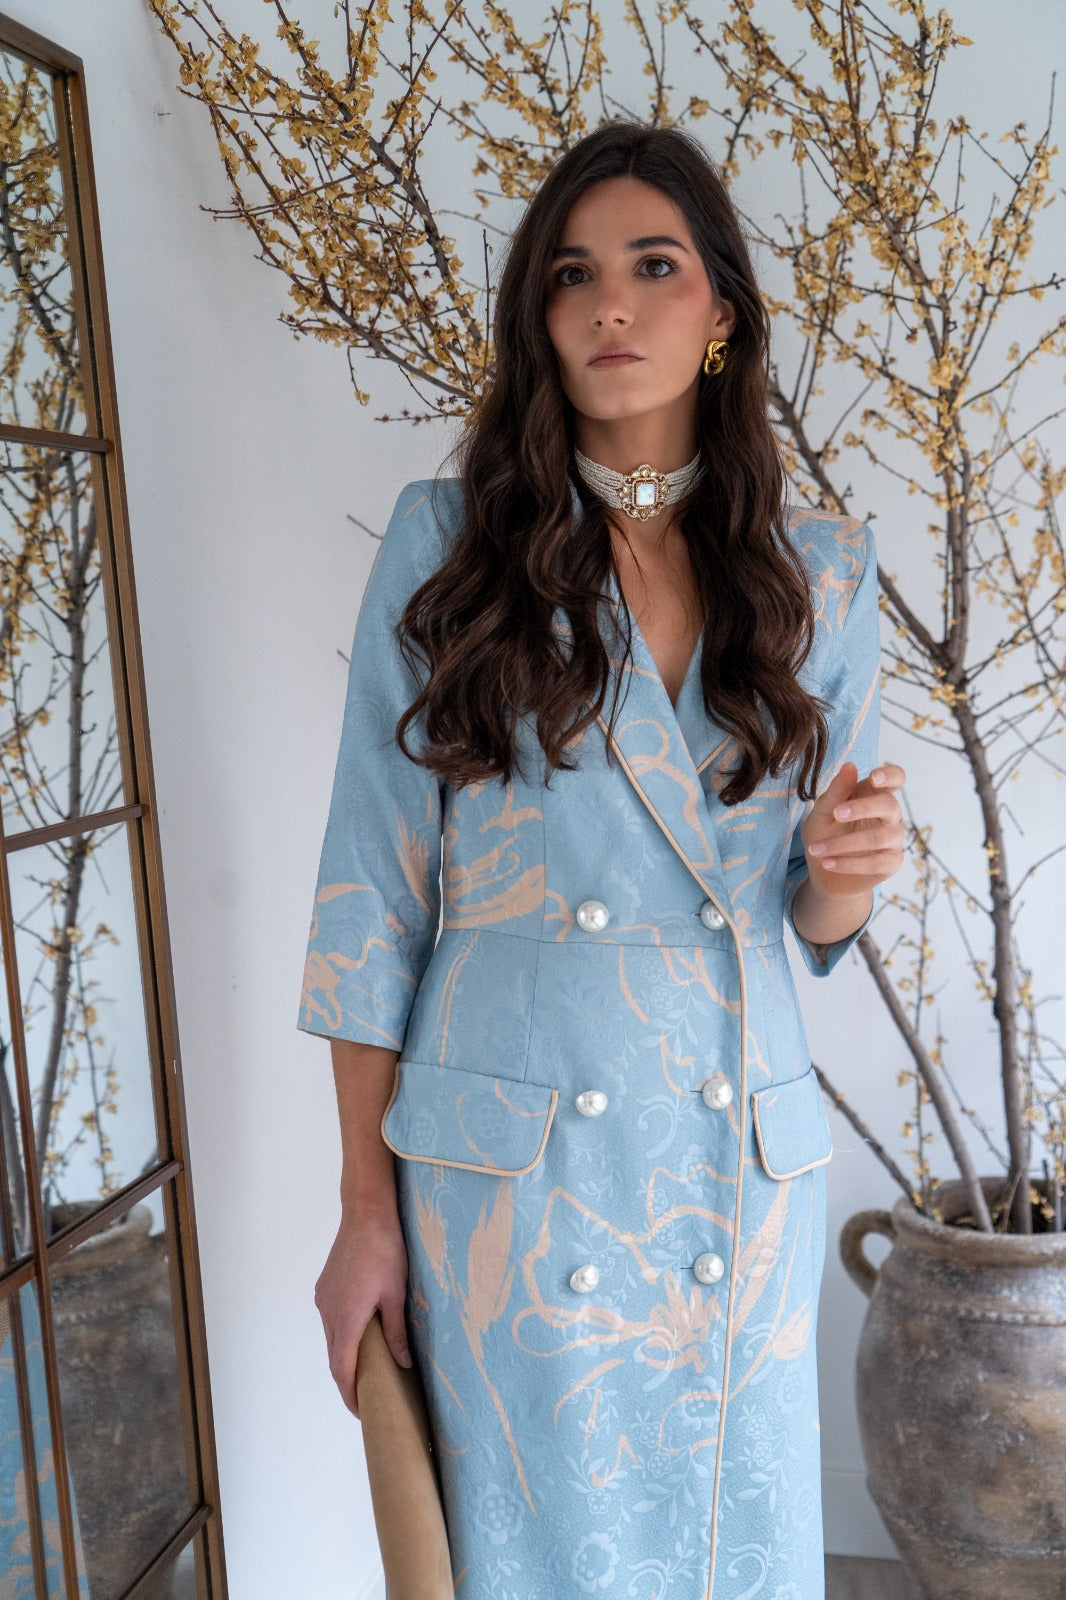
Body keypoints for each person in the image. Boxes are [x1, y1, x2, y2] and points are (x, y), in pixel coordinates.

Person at [299, 117, 906, 1600]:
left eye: (654, 266)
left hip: (728, 1167)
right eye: (572, 275)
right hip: (518, 1177)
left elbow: (807, 915)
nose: (610, 305)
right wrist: (363, 1211)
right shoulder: (450, 545)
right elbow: (371, 894)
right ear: (540, 317)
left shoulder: (822, 571)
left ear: (721, 316)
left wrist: (848, 870)